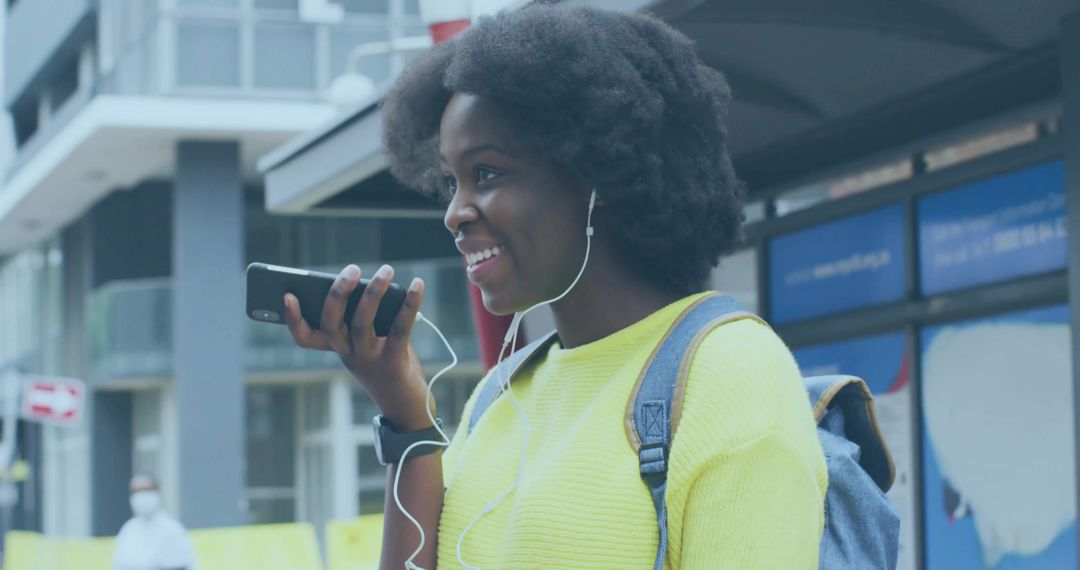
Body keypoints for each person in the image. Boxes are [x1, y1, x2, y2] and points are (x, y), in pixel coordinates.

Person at [284, 5, 827, 569]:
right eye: (450, 182)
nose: (454, 212)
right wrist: (404, 411)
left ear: (596, 174)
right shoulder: (500, 392)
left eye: (486, 173)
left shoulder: (732, 373)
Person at [112, 475, 196, 570]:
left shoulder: (172, 530)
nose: (141, 496)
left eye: (146, 490)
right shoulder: (128, 530)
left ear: (157, 492)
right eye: (136, 491)